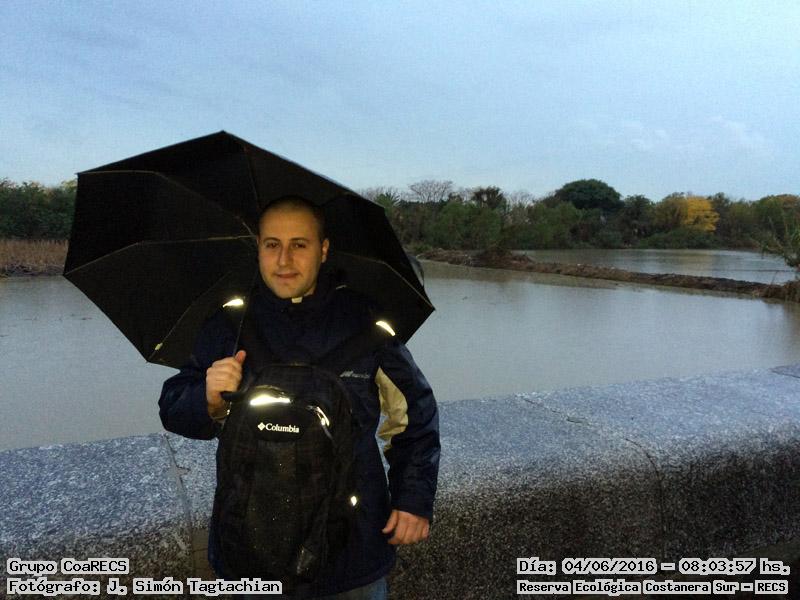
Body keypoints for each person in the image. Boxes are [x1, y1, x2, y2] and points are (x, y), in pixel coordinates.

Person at [158, 196, 440, 599]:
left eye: (299, 244)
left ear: (323, 250)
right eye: (272, 244)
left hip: (351, 552)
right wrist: (207, 399)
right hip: (249, 544)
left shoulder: (368, 323)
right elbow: (172, 406)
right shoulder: (229, 324)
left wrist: (413, 499)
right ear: (258, 248)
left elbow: (416, 417)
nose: (284, 260)